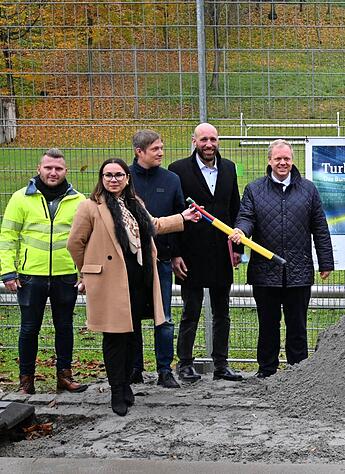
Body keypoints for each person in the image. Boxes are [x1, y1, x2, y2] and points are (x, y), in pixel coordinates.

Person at [67, 159, 199, 416]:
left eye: (118, 175)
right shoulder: (90, 207)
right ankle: (117, 390)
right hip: (109, 282)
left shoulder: (135, 204)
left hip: (138, 280)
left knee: (131, 335)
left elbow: (154, 226)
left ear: (127, 177)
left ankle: (126, 383)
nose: (113, 180)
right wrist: (88, 271)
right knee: (115, 337)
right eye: (107, 175)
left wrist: (182, 217)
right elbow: (75, 243)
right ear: (101, 178)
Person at [230, 139, 334, 377]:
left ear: (292, 160)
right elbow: (246, 218)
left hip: (299, 271)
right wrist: (241, 230)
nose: (282, 163)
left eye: (286, 158)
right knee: (268, 325)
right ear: (269, 161)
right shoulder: (254, 190)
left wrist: (325, 261)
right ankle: (267, 370)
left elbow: (320, 227)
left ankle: (298, 371)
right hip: (265, 271)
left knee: (297, 325)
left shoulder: (308, 189)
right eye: (278, 158)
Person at [0, 149, 88, 395]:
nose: (53, 172)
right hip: (30, 276)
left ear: (65, 171)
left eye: (58, 169)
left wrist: (85, 273)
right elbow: (7, 237)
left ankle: (64, 376)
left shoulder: (79, 201)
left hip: (65, 275)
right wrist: (8, 271)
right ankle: (26, 380)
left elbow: (87, 240)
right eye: (48, 167)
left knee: (65, 327)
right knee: (29, 328)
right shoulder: (20, 199)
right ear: (39, 168)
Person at [169, 122, 244, 382]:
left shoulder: (229, 168)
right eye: (204, 140)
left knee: (222, 311)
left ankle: (221, 365)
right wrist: (175, 253)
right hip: (191, 254)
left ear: (218, 141)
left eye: (213, 139)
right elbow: (174, 214)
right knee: (191, 310)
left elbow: (235, 210)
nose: (209, 144)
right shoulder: (178, 170)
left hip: (221, 253)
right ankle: (185, 364)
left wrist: (237, 248)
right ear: (194, 141)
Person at [128, 129, 185, 389]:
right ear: (139, 152)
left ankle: (164, 370)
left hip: (161, 260)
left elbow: (179, 217)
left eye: (162, 147)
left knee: (164, 318)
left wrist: (176, 254)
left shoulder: (172, 179)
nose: (161, 152)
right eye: (155, 149)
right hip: (130, 262)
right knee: (131, 316)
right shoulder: (124, 179)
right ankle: (134, 368)